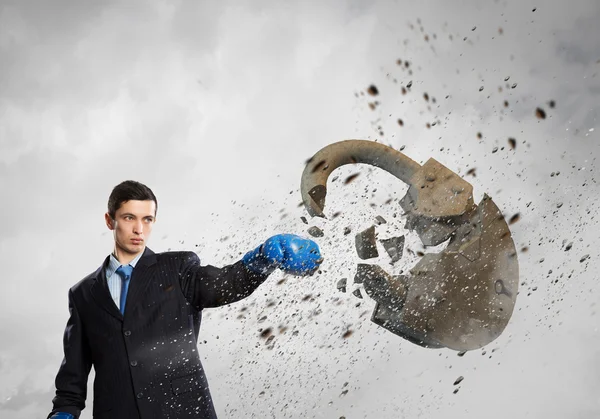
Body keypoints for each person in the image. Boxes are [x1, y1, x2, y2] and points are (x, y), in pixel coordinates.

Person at [47, 180, 323, 419]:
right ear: (110, 220)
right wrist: (63, 412)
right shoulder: (83, 294)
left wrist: (263, 257)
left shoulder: (178, 268)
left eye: (148, 219)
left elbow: (227, 284)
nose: (139, 230)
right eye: (129, 218)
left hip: (182, 410)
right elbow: (73, 376)